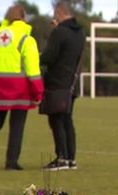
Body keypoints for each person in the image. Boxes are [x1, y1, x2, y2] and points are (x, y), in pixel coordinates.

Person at [0, 4, 44, 170]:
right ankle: (11, 162)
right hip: (19, 87)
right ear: (23, 17)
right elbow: (32, 69)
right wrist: (38, 91)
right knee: (17, 125)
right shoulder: (26, 39)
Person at [40, 1, 85, 171]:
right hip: (72, 83)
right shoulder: (80, 32)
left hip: (57, 82)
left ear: (59, 12)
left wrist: (37, 57)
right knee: (67, 119)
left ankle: (62, 158)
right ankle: (71, 158)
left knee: (56, 119)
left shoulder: (59, 32)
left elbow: (50, 56)